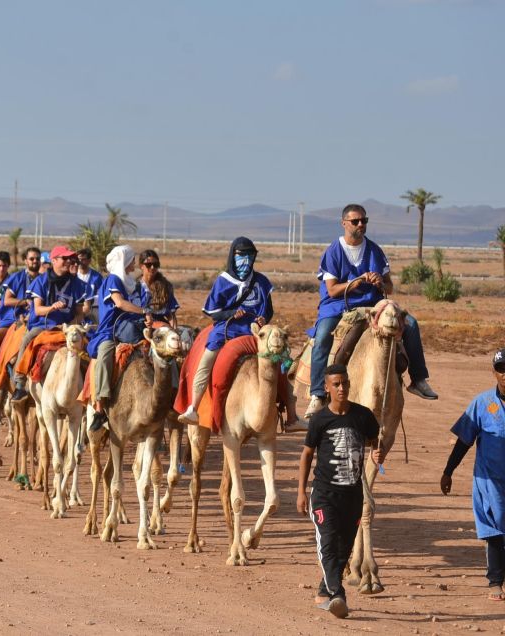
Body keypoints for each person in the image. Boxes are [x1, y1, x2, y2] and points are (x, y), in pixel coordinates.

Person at [305, 204, 437, 419]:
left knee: (410, 323)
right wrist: (354, 282)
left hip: (371, 304)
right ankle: (318, 394)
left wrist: (380, 284)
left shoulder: (375, 250)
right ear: (344, 223)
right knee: (322, 336)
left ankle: (419, 379)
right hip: (338, 305)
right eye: (355, 221)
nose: (360, 225)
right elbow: (331, 289)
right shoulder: (333, 252)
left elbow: (389, 286)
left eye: (364, 221)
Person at [297, 363, 386, 619]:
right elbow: (306, 455)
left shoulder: (363, 415)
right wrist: (301, 492)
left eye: (345, 383)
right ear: (326, 388)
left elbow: (374, 441)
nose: (342, 388)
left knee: (345, 547)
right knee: (328, 543)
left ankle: (323, 591)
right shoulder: (320, 419)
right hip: (325, 494)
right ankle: (338, 595)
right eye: (336, 384)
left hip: (353, 494)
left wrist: (377, 453)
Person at [178, 237, 274, 424]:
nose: (245, 260)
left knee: (279, 356)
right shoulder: (223, 281)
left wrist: (264, 318)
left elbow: (268, 309)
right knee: (206, 361)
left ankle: (290, 412)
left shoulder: (261, 281)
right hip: (227, 328)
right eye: (241, 255)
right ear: (232, 256)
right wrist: (231, 313)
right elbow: (213, 312)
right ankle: (194, 407)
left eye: (249, 255)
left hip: (255, 329)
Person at [440, 348, 505, 602]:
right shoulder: (482, 403)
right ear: (494, 372)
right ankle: (495, 581)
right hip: (489, 481)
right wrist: (448, 471)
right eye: (501, 369)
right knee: (493, 529)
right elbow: (464, 441)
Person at [86, 245, 151, 431]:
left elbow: (136, 306)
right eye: (131, 259)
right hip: (110, 330)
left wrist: (145, 319)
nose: (133, 262)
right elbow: (120, 303)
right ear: (123, 261)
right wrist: (144, 311)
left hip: (132, 328)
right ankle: (100, 405)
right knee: (105, 353)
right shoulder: (113, 280)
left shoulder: (132, 284)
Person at [10, 245, 86, 401]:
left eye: (70, 258)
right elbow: (37, 310)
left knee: (89, 348)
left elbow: (79, 313)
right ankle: (19, 384)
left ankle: (90, 393)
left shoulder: (77, 284)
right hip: (43, 326)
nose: (68, 261)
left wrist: (70, 325)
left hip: (66, 328)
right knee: (26, 339)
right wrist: (52, 307)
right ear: (54, 260)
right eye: (64, 258)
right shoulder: (41, 281)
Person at [0, 247, 42, 390]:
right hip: (13, 318)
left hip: (39, 319)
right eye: (31, 259)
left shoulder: (45, 278)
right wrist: (25, 302)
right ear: (25, 261)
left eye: (37, 258)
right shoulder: (17, 278)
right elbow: (6, 301)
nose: (35, 261)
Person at [135, 249, 179, 329]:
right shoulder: (134, 287)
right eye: (148, 264)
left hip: (160, 327)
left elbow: (170, 315)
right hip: (139, 325)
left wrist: (175, 331)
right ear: (141, 266)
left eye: (155, 264)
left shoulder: (165, 286)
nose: (152, 267)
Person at [76, 248, 104, 324]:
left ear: (89, 260)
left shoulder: (97, 277)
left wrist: (90, 300)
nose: (80, 262)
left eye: (83, 259)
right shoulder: (73, 275)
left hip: (93, 309)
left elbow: (102, 295)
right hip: (76, 308)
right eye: (78, 259)